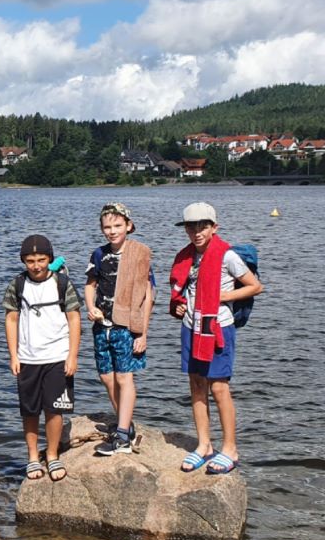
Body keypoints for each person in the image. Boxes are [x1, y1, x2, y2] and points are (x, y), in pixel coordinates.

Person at [169, 202, 262, 476]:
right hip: (191, 326)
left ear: (214, 227)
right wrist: (178, 306)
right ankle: (204, 445)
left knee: (219, 388)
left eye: (203, 226)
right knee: (197, 385)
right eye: (191, 227)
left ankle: (230, 448)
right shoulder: (184, 257)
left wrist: (221, 297)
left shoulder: (227, 255)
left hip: (219, 327)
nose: (197, 232)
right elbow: (181, 291)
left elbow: (255, 286)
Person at [2, 233, 80, 481]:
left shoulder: (62, 283)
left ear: (50, 259)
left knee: (55, 410)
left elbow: (74, 318)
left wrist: (72, 355)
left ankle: (53, 455)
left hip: (57, 356)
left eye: (41, 259)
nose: (36, 265)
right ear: (24, 261)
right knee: (30, 411)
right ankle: (33, 457)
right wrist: (13, 355)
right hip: (28, 358)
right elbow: (11, 319)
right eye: (30, 260)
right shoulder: (17, 285)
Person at [83, 203, 154, 456]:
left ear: (128, 226)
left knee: (125, 377)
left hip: (127, 325)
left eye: (117, 226)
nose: (112, 231)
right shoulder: (98, 255)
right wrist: (90, 307)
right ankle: (126, 424)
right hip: (102, 325)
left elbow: (148, 295)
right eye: (107, 227)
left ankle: (122, 435)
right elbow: (91, 285)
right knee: (106, 376)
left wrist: (142, 333)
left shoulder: (140, 254)